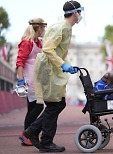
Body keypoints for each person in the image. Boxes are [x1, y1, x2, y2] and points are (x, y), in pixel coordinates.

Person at [23, 1, 84, 152]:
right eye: (80, 12)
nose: (80, 15)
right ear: (75, 13)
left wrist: (66, 64)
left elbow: (59, 51)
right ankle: (44, 141)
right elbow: (48, 49)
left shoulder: (65, 27)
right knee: (56, 104)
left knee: (57, 104)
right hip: (49, 67)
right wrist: (62, 65)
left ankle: (34, 132)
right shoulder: (61, 27)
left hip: (52, 66)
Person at [16, 18, 47, 146]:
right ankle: (26, 133)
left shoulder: (39, 42)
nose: (44, 30)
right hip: (30, 79)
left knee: (32, 108)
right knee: (39, 106)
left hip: (37, 78)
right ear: (39, 28)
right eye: (43, 27)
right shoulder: (27, 42)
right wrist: (21, 79)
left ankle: (26, 136)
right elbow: (20, 62)